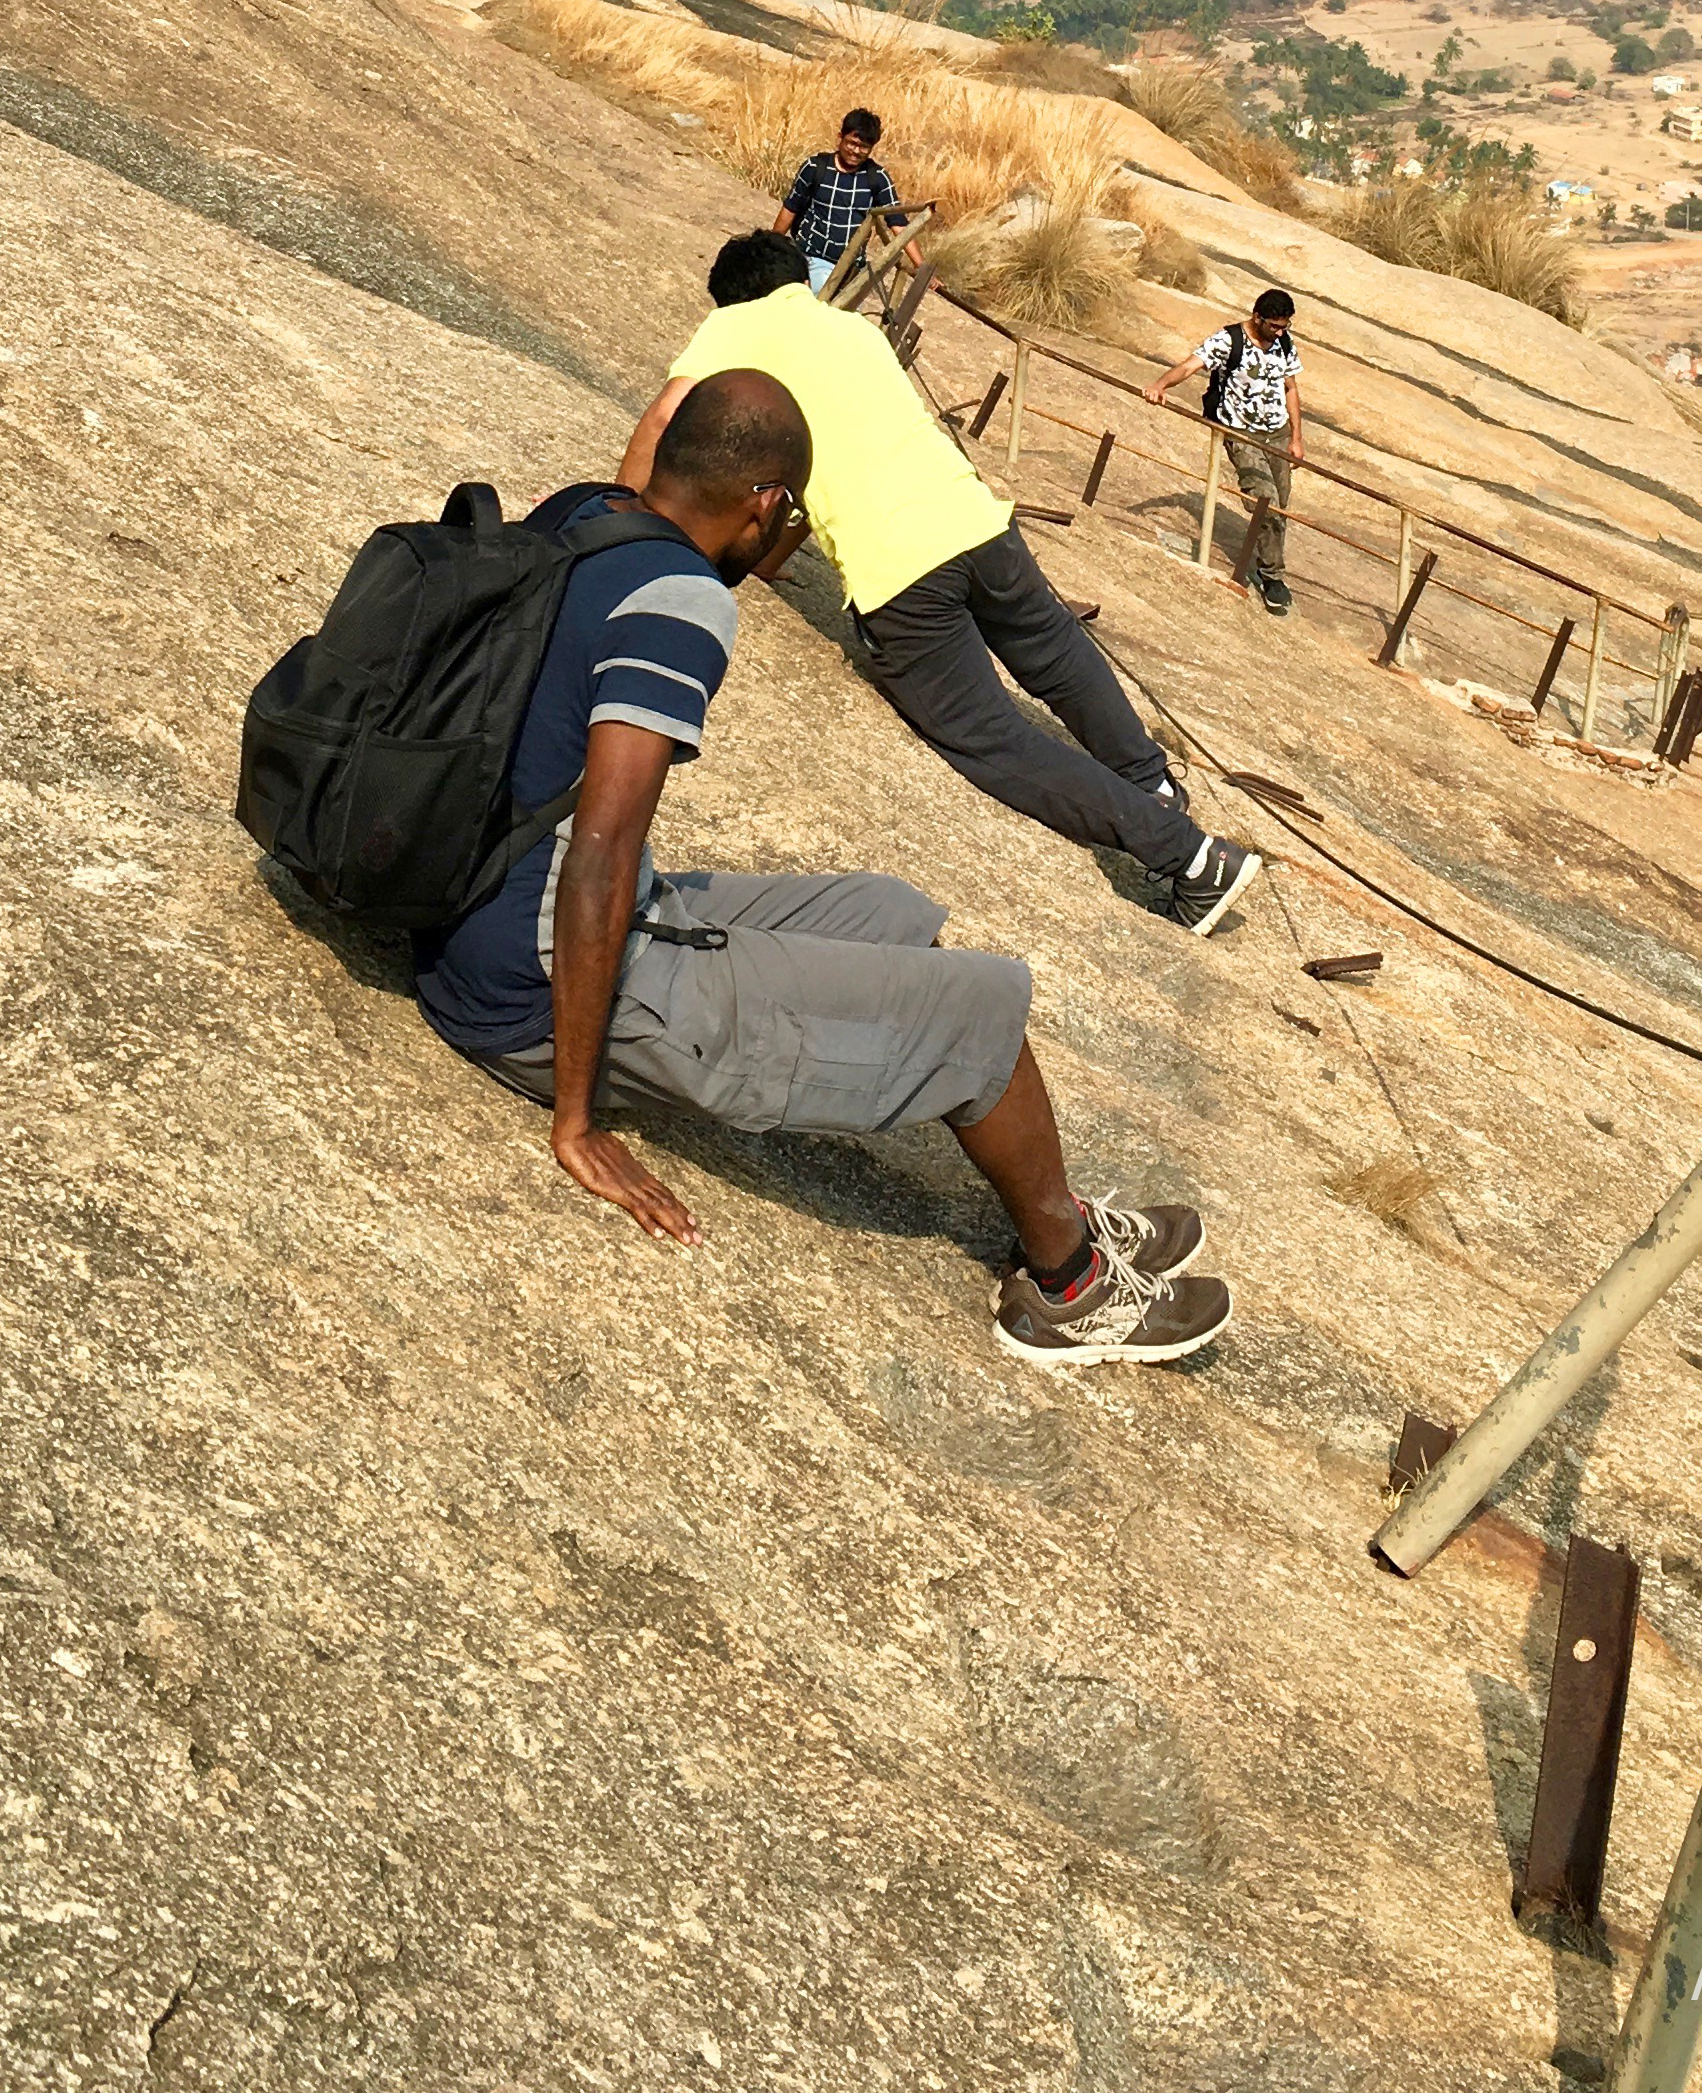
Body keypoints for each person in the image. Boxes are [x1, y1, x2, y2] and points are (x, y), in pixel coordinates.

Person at [415, 364, 1233, 1368]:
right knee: (983, 1014)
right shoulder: (679, 604)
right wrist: (575, 1120)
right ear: (763, 504)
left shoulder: (586, 513)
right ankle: (1067, 1286)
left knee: (891, 914)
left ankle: (1049, 1189)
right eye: (791, 513)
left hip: (480, 910)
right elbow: (600, 855)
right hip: (530, 988)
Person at [618, 236, 1263, 936]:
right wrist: (770, 566)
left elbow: (666, 418)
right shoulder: (855, 332)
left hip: (904, 576)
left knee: (989, 737)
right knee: (1054, 652)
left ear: (734, 297)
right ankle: (1152, 783)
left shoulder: (738, 323)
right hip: (979, 525)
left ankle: (1191, 857)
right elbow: (823, 466)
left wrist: (622, 525)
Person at [1149, 288, 1304, 615]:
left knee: (1281, 505)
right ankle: (1273, 577)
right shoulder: (1228, 340)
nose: (1280, 333)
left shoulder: (1284, 343)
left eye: (1285, 327)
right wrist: (1160, 385)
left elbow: (1290, 388)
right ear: (1257, 317)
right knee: (1265, 501)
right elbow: (1189, 367)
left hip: (1277, 435)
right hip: (1241, 433)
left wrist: (1297, 438)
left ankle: (1268, 566)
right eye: (1275, 326)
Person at [775, 107, 903, 291]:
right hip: (811, 258)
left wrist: (921, 266)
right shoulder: (815, 168)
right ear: (840, 137)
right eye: (852, 143)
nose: (856, 151)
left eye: (864, 147)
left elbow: (899, 223)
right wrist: (771, 246)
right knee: (819, 296)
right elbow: (791, 208)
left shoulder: (877, 178)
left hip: (850, 269)